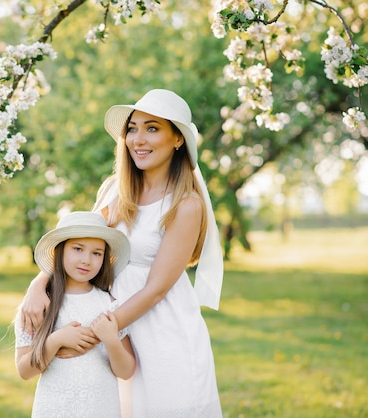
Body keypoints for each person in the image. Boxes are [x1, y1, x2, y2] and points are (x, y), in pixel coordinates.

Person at [21, 89, 224, 417]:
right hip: (115, 328)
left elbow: (156, 289)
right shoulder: (114, 189)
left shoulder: (186, 204)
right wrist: (38, 283)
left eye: (152, 128)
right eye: (132, 128)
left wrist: (95, 331)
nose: (138, 139)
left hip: (160, 328)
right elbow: (78, 244)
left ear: (177, 139)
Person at [14, 211, 136, 418]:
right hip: (55, 408)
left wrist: (110, 339)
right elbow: (25, 371)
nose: (86, 260)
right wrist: (56, 340)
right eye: (78, 249)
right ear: (60, 251)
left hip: (101, 408)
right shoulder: (39, 305)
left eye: (97, 253)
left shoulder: (110, 304)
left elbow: (126, 371)